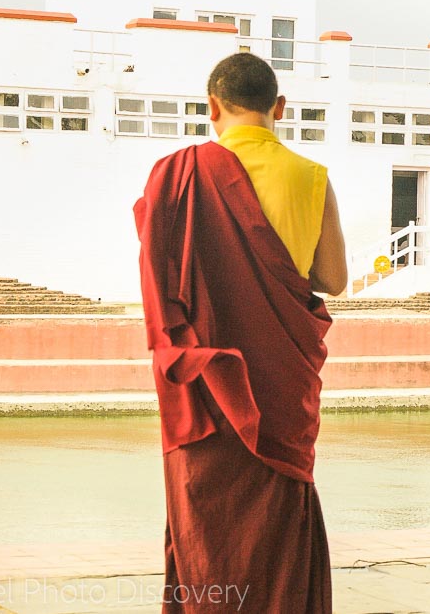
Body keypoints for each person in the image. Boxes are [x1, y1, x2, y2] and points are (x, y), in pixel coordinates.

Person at [134, 52, 347, 613]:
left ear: (212, 108)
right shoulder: (313, 178)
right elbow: (334, 280)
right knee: (276, 529)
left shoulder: (176, 177)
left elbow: (161, 283)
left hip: (204, 394)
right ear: (280, 108)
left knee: (208, 529)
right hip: (281, 389)